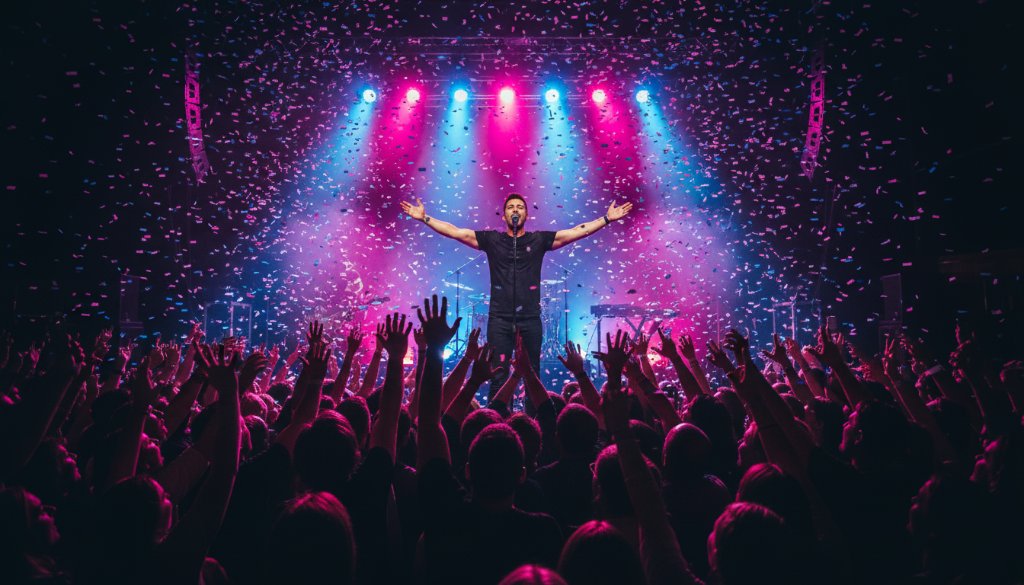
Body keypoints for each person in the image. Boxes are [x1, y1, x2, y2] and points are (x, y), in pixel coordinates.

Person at [401, 192, 633, 399]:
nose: (515, 210)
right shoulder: (492, 240)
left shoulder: (538, 240)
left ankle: (534, 423)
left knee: (533, 375)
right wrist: (425, 218)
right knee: (498, 375)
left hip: (530, 319)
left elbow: (575, 232)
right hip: (499, 320)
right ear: (504, 216)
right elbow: (456, 232)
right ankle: (497, 422)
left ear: (526, 215)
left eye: (520, 207)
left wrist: (606, 219)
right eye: (511, 207)